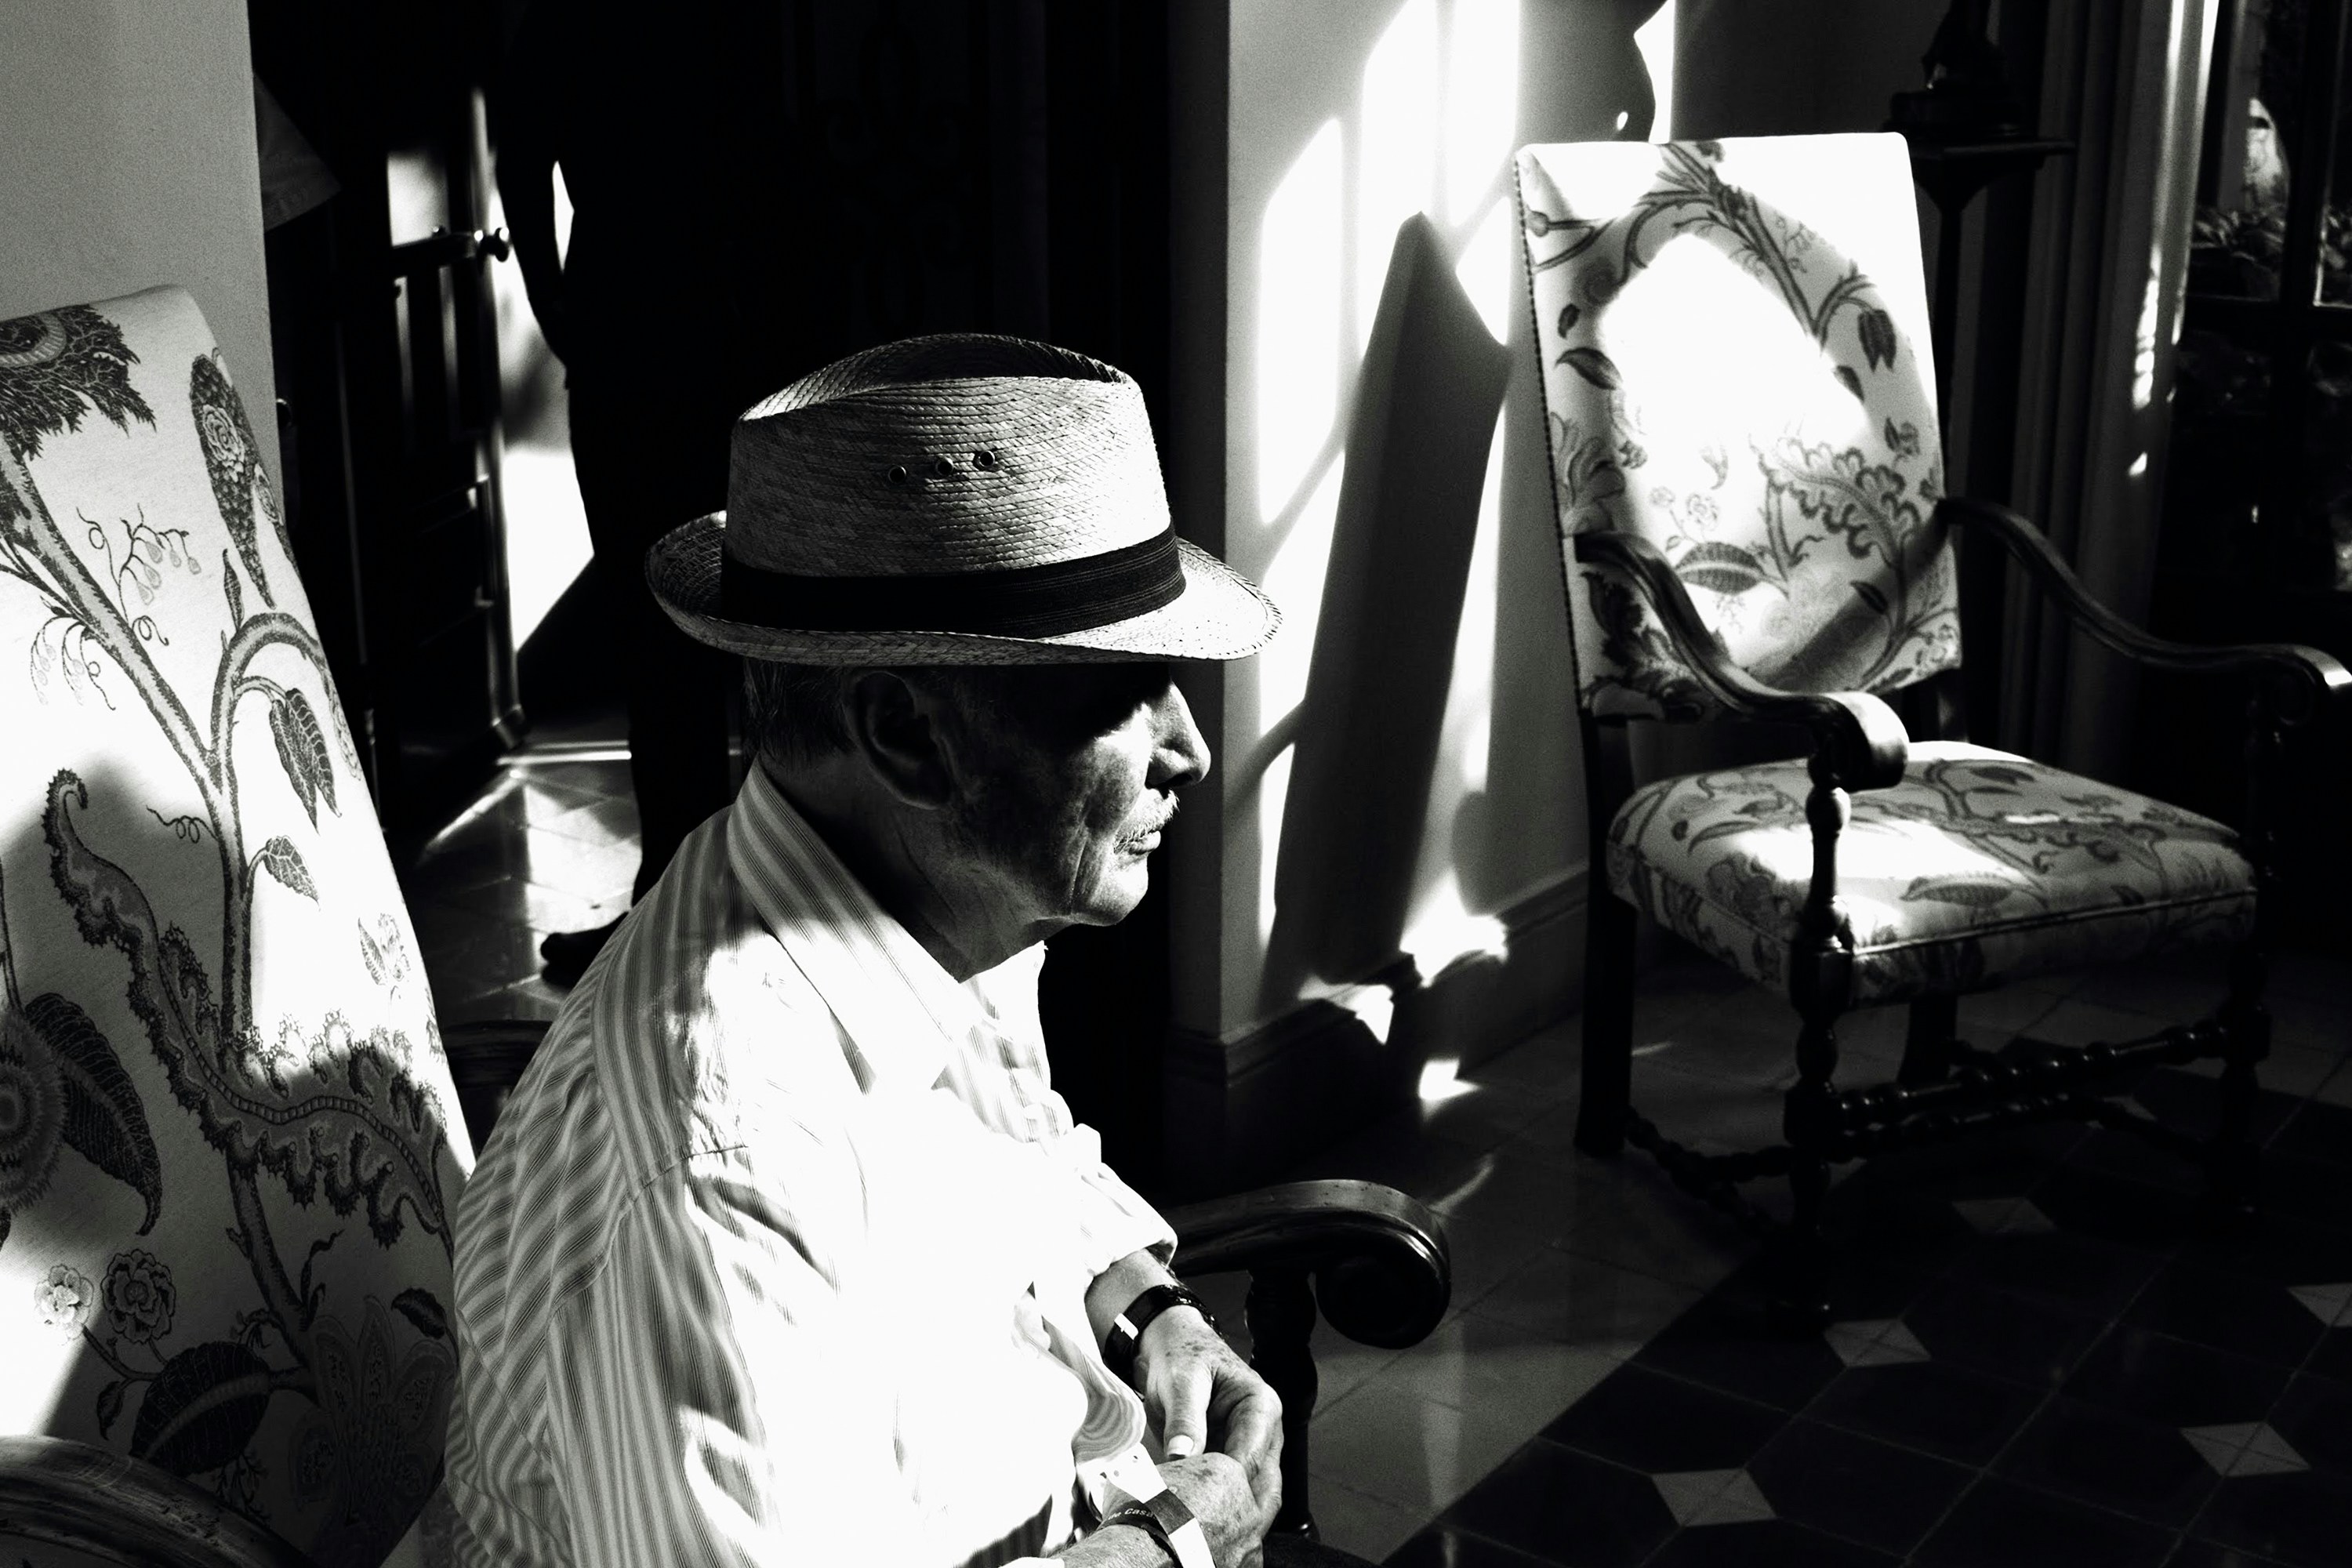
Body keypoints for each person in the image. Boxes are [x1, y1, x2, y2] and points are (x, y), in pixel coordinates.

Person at [447, 336, 1368, 1567]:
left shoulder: (929, 893)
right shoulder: (722, 1171)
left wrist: (1150, 1308)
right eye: (1127, 690)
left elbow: (1019, 1150)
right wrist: (1172, 1547)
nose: (1189, 749)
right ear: (904, 735)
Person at [492, 0, 796, 984]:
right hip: (724, 328)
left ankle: (685, 901)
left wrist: (557, 304)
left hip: (642, 329)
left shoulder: (569, 21)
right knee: (742, 631)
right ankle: (721, 901)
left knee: (668, 635)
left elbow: (519, 155)